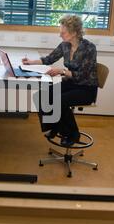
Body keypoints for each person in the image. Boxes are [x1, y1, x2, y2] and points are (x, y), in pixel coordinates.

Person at [22, 15, 98, 146]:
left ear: (74, 33)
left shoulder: (89, 48)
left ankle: (73, 134)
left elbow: (83, 76)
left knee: (59, 101)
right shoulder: (65, 45)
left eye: (63, 32)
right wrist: (30, 62)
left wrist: (62, 71)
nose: (60, 35)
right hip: (71, 84)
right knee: (42, 95)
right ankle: (55, 127)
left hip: (86, 88)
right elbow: (49, 59)